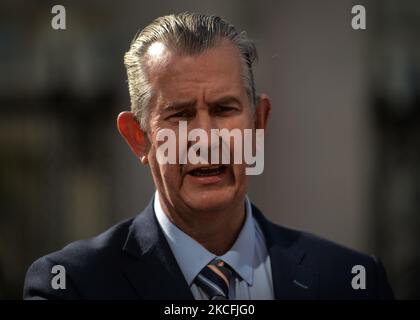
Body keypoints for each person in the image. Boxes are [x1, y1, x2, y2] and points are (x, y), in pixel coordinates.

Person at [23, 12, 394, 300]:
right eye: (180, 114)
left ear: (258, 122)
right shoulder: (73, 286)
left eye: (223, 109)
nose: (205, 138)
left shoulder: (351, 280)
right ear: (139, 139)